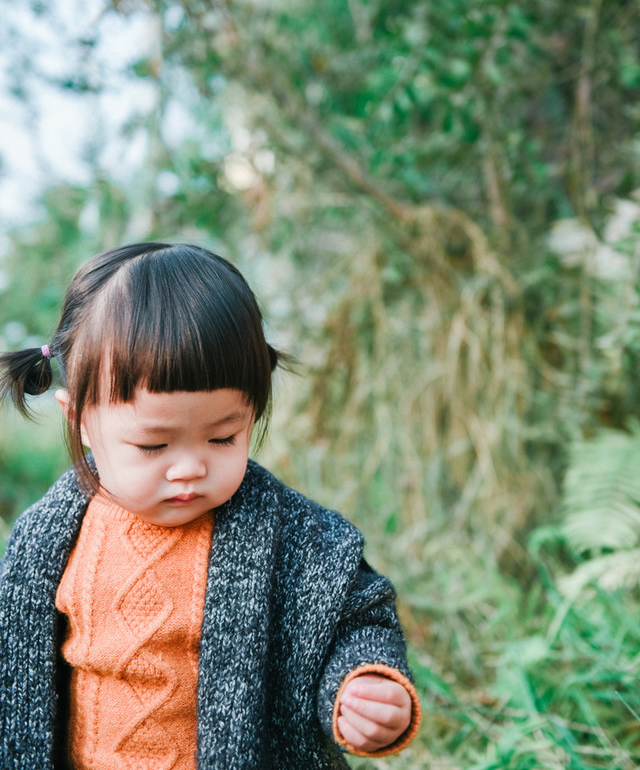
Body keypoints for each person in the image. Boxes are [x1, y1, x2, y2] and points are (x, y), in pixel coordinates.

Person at [0, 242, 421, 770]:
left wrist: (365, 682)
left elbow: (355, 615)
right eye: (153, 446)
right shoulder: (47, 537)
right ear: (79, 419)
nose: (189, 468)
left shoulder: (293, 536)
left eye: (223, 437)